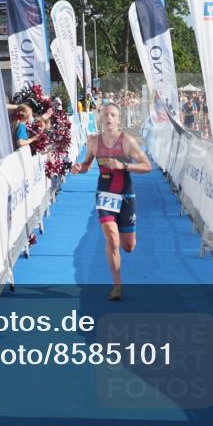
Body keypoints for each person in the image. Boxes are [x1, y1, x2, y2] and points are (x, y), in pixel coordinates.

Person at [71, 103, 152, 301]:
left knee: (128, 246)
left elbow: (147, 166)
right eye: (106, 114)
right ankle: (117, 286)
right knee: (112, 241)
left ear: (118, 119)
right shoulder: (93, 141)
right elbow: (87, 164)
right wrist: (80, 168)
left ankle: (125, 243)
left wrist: (124, 166)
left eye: (113, 115)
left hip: (126, 197)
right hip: (104, 195)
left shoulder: (127, 142)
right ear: (101, 117)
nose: (109, 118)